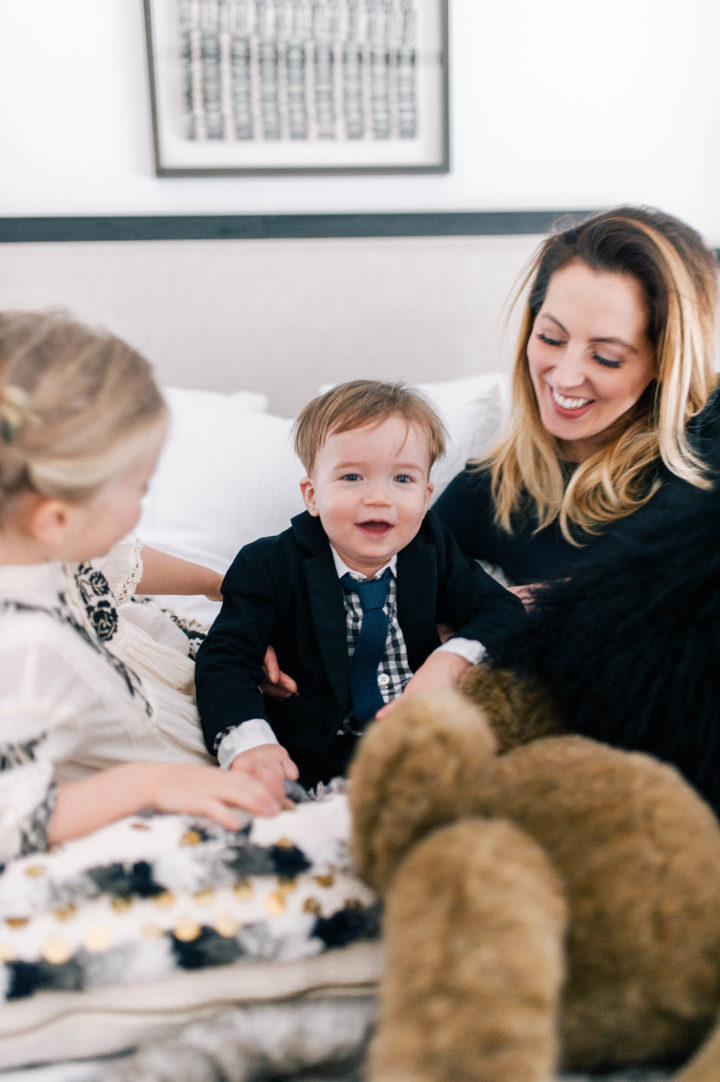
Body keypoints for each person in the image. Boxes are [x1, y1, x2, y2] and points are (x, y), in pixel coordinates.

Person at [0, 311, 287, 864]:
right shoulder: (24, 649)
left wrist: (216, 584)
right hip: (175, 775)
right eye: (138, 490)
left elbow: (120, 560)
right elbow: (12, 817)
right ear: (56, 517)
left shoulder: (40, 539)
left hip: (181, 681)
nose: (141, 510)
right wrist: (149, 786)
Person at [195, 380, 527, 791]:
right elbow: (225, 660)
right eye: (352, 477)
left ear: (426, 497)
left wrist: (448, 661)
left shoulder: (431, 549)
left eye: (402, 480)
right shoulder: (268, 565)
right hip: (314, 753)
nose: (378, 497)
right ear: (312, 495)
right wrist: (250, 744)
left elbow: (501, 610)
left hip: (419, 740)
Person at [433, 206, 720, 593]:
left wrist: (531, 605)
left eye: (607, 358)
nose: (565, 377)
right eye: (551, 338)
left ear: (665, 361)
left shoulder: (707, 442)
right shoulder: (487, 493)